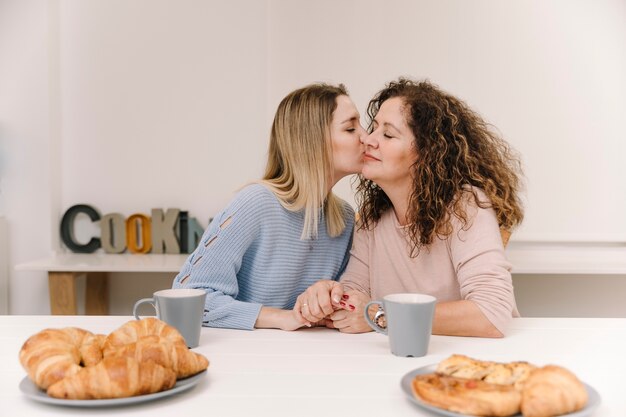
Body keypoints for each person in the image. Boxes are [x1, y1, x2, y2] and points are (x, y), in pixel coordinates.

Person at [295, 78, 524, 338]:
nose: (369, 139)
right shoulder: (372, 219)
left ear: (427, 155)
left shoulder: (467, 206)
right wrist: (331, 296)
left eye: (388, 134)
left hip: (469, 363)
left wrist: (382, 315)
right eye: (374, 128)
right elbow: (356, 297)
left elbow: (489, 315)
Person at [173, 83, 366, 330]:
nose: (366, 136)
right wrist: (283, 318)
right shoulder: (255, 203)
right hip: (243, 355)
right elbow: (188, 297)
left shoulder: (344, 217)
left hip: (306, 356)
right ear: (312, 140)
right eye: (350, 128)